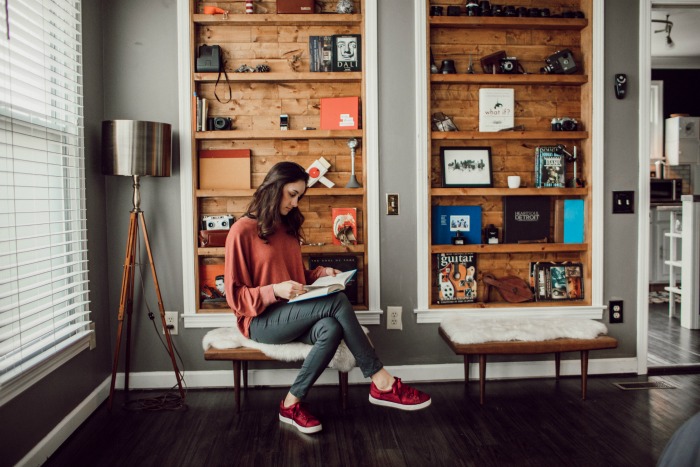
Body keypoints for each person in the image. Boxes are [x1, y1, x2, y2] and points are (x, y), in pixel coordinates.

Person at [224, 161, 431, 434]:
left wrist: (322, 273)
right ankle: (381, 381)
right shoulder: (242, 230)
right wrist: (274, 291)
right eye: (292, 194)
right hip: (261, 321)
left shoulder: (287, 229)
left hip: (293, 314)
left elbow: (295, 277)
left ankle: (291, 403)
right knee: (336, 302)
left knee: (331, 328)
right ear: (274, 189)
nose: (296, 203)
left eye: (300, 195)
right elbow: (235, 296)